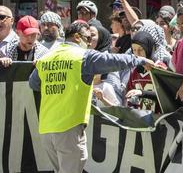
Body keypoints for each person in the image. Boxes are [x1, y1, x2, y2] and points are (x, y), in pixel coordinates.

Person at [29, 21, 155, 173]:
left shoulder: (47, 57)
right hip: (68, 128)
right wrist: (139, 60)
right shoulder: (83, 56)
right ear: (76, 37)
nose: (89, 43)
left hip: (47, 129)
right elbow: (113, 61)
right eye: (87, 39)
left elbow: (34, 83)